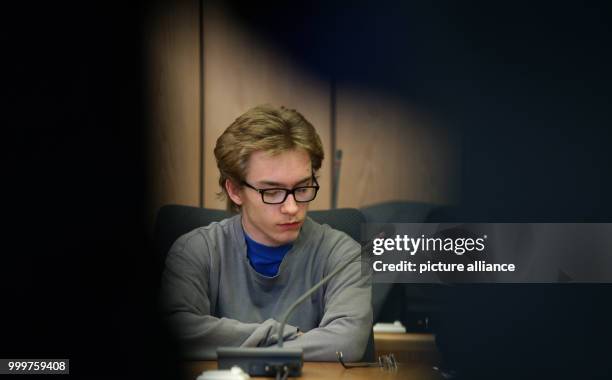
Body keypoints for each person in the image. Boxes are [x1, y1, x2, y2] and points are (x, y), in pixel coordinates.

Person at [160, 105, 372, 361]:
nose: (292, 207)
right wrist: (289, 336)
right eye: (272, 192)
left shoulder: (343, 255)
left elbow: (346, 343)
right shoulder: (196, 250)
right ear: (235, 191)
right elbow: (174, 332)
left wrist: (229, 341)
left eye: (303, 188)